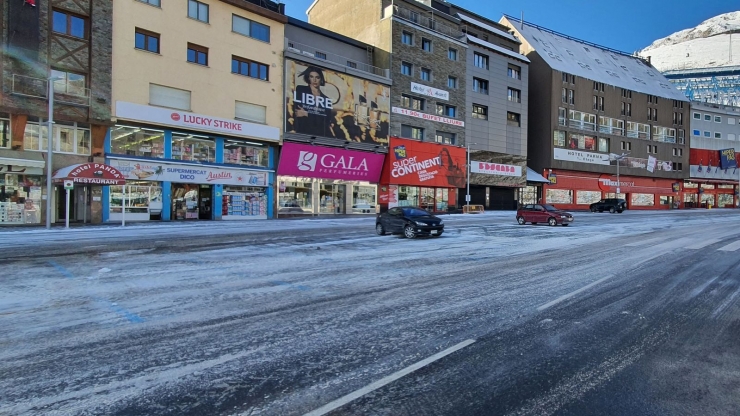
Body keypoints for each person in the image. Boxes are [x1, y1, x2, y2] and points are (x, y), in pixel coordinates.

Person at [292, 66, 333, 136]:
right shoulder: (301, 90)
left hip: (320, 136)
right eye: (311, 77)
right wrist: (317, 118)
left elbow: (325, 123)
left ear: (321, 79)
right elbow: (298, 113)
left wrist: (307, 114)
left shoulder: (327, 100)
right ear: (308, 78)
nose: (314, 80)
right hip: (302, 134)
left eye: (317, 77)